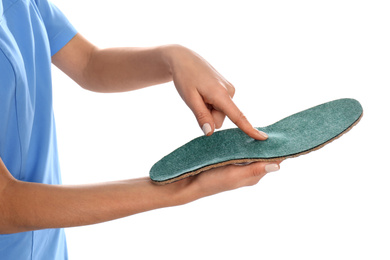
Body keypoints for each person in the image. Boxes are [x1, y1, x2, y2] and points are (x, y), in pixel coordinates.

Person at [0, 0, 281, 258]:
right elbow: (5, 205)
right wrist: (178, 187)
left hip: (48, 249)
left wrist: (172, 58)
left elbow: (88, 63)